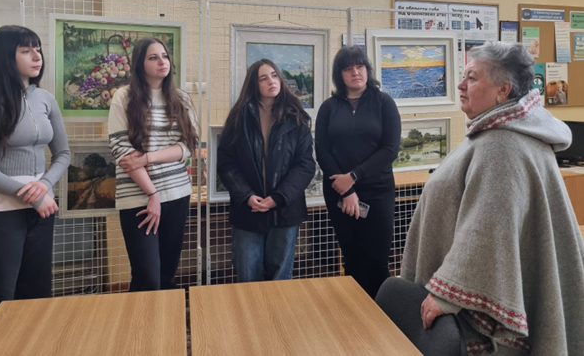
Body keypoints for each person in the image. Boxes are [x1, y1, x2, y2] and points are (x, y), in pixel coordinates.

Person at [401, 42, 584, 355]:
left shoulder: (502, 144)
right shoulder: (505, 131)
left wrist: (447, 294)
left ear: (503, 90)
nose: (461, 85)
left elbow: (489, 229)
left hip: (468, 317)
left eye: (472, 78)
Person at [0, 25, 70, 330]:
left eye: (38, 49)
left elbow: (63, 154)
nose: (37, 56)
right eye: (26, 50)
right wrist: (31, 194)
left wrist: (44, 186)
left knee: (36, 300)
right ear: (6, 56)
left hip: (40, 212)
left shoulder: (45, 98)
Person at [108, 37, 198, 291]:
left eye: (165, 56)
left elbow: (188, 146)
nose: (162, 62)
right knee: (147, 277)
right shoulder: (124, 96)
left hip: (177, 194)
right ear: (140, 63)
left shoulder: (181, 98)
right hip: (138, 198)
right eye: (153, 57)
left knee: (167, 275)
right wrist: (152, 194)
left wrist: (149, 157)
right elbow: (122, 151)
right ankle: (143, 319)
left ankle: (168, 318)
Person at [217, 59, 314, 282]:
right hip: (248, 210)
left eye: (274, 75)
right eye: (263, 78)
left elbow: (305, 165)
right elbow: (226, 163)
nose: (271, 81)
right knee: (247, 276)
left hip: (284, 209)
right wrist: (247, 196)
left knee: (280, 277)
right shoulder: (238, 118)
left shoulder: (296, 117)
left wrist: (278, 198)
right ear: (254, 84)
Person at [315, 46, 400, 298]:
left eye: (360, 66)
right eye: (348, 68)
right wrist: (346, 190)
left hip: (377, 191)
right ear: (339, 74)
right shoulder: (328, 107)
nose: (355, 72)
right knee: (351, 259)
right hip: (339, 192)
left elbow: (390, 149)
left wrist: (354, 177)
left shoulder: (384, 102)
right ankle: (355, 313)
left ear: (367, 69)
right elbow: (322, 151)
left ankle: (380, 314)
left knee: (377, 259)